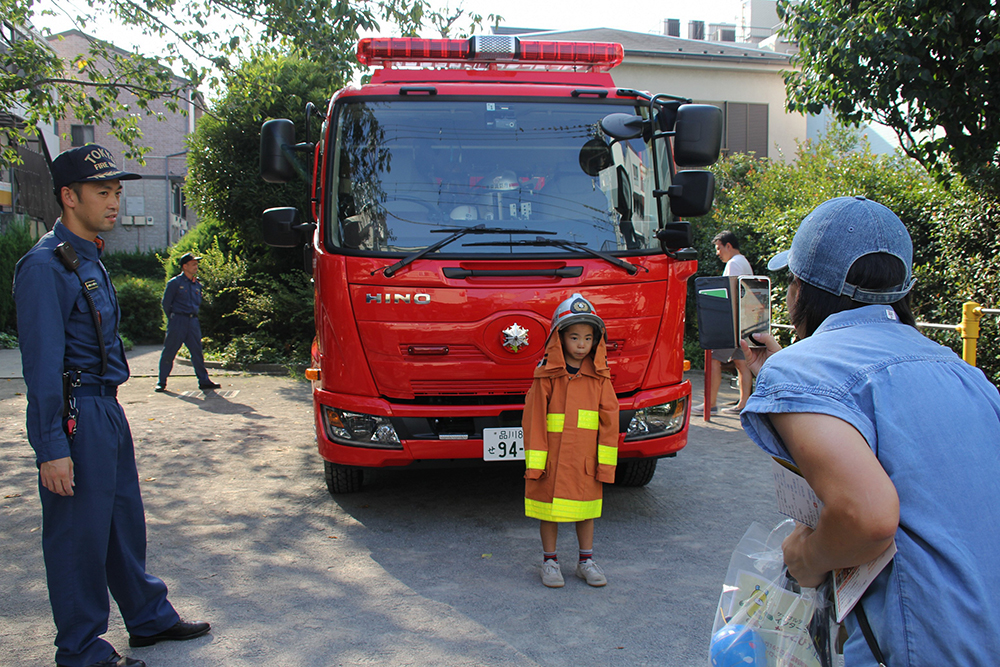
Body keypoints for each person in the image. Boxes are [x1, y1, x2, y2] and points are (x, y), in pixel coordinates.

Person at [738, 196, 1000, 665]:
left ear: (802, 290)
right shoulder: (964, 374)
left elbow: (868, 517)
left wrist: (809, 558)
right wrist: (786, 369)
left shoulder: (804, 374)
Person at [14, 144, 210, 667]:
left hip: (105, 407)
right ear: (68, 196)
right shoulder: (44, 268)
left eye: (118, 192)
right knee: (79, 533)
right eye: (103, 192)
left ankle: (147, 617)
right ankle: (80, 649)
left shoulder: (87, 257)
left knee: (123, 521)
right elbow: (40, 366)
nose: (115, 201)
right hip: (75, 413)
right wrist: (51, 447)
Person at [522, 293, 620, 588]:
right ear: (559, 338)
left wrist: (605, 466)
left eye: (588, 338)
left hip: (584, 462)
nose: (581, 344)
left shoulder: (601, 379)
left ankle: (585, 561)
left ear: (596, 341)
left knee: (585, 511)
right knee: (548, 512)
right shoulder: (546, 377)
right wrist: (535, 465)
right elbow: (534, 421)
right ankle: (550, 562)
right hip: (551, 462)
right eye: (574, 337)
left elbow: (609, 424)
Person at [693, 230, 753, 416]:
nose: (717, 253)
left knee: (713, 360)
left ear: (728, 245)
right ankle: (743, 404)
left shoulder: (734, 264)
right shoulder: (744, 262)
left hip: (729, 322)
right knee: (741, 362)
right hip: (743, 321)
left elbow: (727, 294)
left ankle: (709, 404)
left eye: (719, 248)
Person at [154, 252, 220, 392]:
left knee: (197, 352)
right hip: (178, 320)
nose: (196, 266)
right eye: (193, 264)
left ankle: (204, 381)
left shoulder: (197, 284)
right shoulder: (175, 283)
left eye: (196, 264)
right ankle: (162, 381)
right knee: (169, 352)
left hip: (192, 321)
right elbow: (166, 304)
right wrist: (173, 318)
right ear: (185, 266)